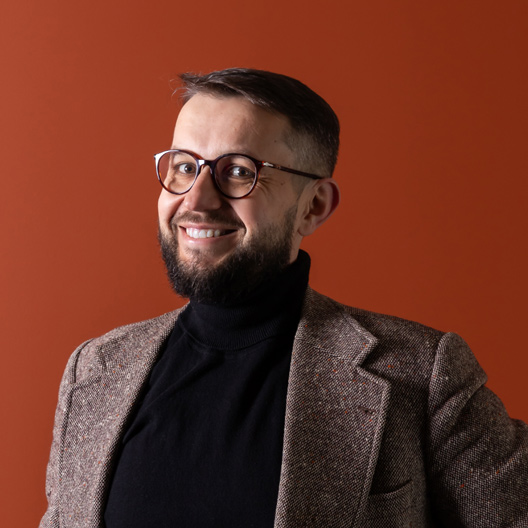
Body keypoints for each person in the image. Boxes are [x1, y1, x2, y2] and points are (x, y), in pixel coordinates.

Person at [40, 68, 527, 528]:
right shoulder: (95, 369)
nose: (197, 199)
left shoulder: (422, 374)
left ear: (313, 206)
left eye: (238, 171)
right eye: (184, 166)